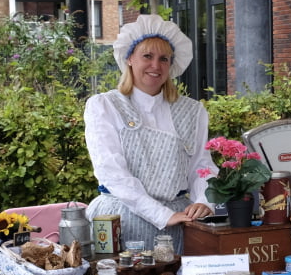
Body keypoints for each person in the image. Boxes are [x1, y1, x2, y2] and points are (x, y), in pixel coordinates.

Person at [85, 15, 213, 253]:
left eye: (164, 59)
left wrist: (203, 202)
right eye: (147, 56)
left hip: (179, 223)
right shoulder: (105, 105)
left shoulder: (192, 111)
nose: (156, 66)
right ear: (129, 58)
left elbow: (201, 166)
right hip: (119, 221)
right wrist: (163, 214)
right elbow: (112, 173)